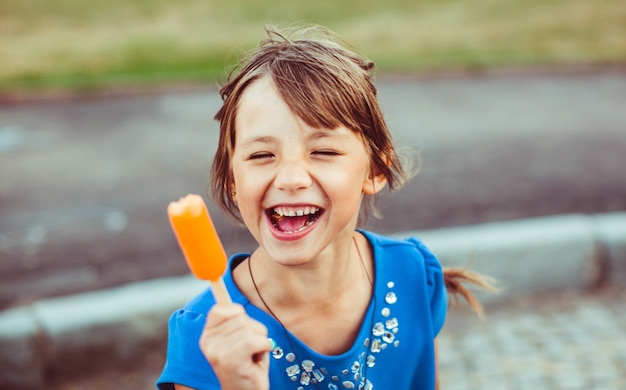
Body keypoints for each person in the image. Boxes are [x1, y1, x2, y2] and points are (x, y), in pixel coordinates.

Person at [157, 24, 495, 390]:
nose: (291, 178)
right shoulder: (205, 338)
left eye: (324, 151)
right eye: (261, 154)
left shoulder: (413, 274)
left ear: (375, 168)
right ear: (231, 181)